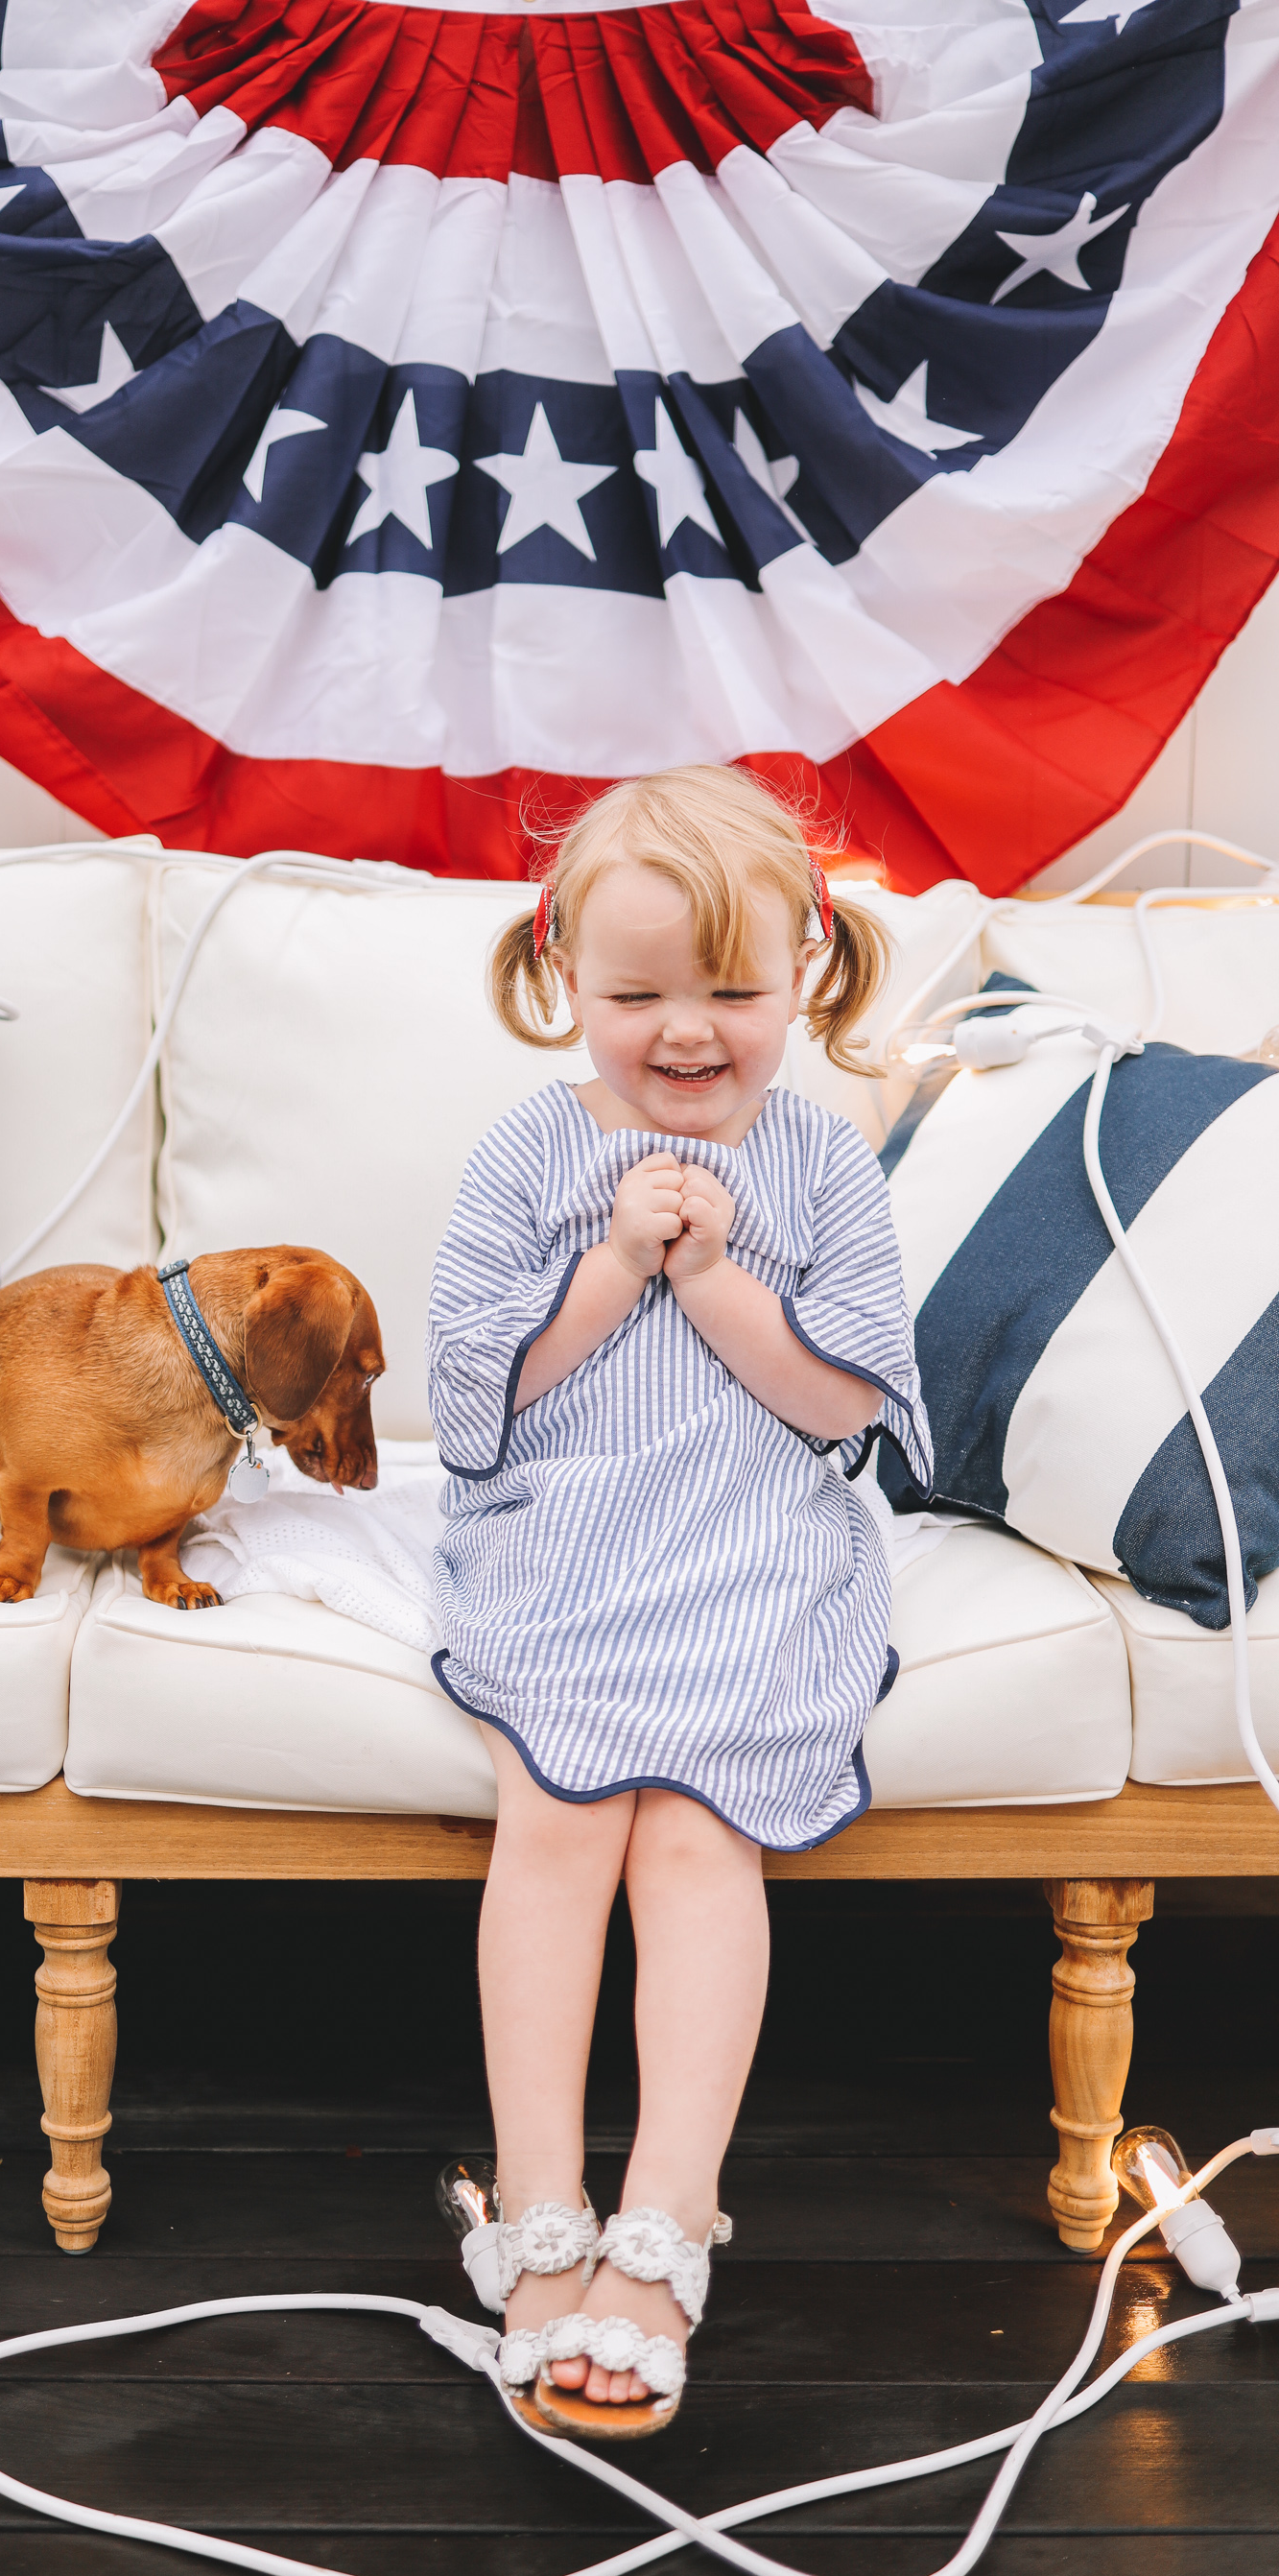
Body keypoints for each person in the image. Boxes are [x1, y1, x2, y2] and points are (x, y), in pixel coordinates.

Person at [426, 765, 932, 2440]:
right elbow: (480, 1398)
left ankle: (662, 2221)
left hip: (749, 1540)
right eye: (639, 992)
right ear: (565, 975)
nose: (688, 1029)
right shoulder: (524, 1154)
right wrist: (615, 1266)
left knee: (698, 1828)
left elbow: (841, 1409)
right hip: (570, 1533)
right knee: (562, 1812)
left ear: (811, 972)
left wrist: (712, 1274)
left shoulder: (827, 1164)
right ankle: (537, 2198)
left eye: (734, 988)